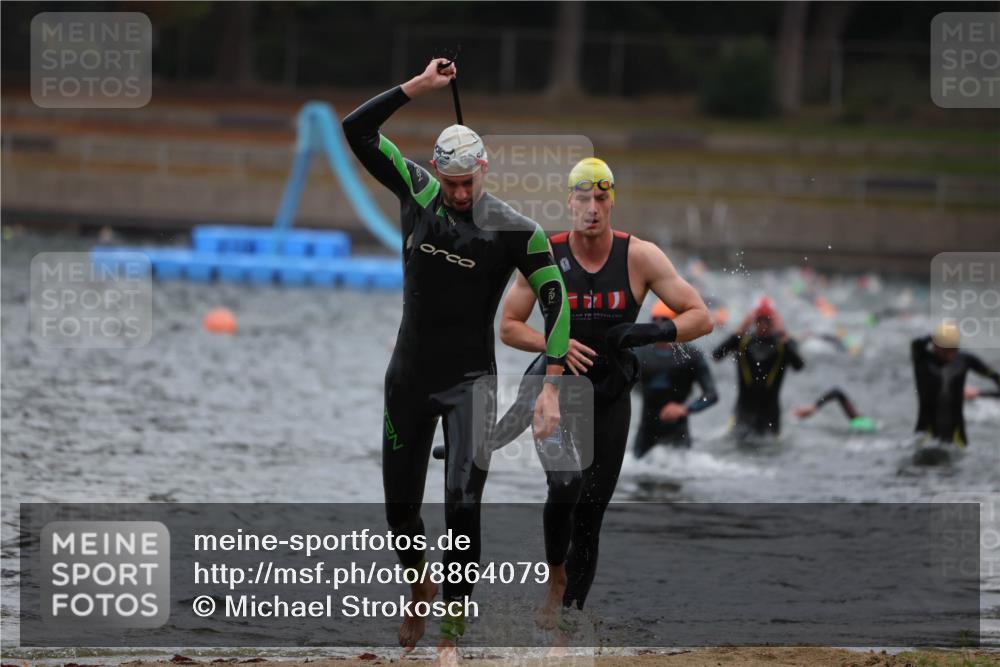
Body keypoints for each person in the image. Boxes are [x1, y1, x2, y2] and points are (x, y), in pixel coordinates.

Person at [342, 58, 570, 660]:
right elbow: (356, 131)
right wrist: (416, 88)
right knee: (401, 512)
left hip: (472, 384)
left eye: (470, 183)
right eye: (452, 184)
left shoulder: (516, 231)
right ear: (439, 174)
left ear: (483, 171)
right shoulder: (416, 191)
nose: (461, 195)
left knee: (463, 507)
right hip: (409, 380)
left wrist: (549, 384)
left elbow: (556, 301)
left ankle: (450, 638)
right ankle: (418, 582)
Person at [499, 157, 713, 623]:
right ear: (569, 202)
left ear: (612, 201)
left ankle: (567, 626)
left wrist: (649, 334)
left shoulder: (640, 256)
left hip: (610, 397)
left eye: (601, 198)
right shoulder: (545, 253)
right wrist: (554, 342)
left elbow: (701, 316)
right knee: (564, 483)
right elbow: (509, 327)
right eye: (583, 198)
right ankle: (556, 574)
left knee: (590, 520)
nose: (592, 208)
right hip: (552, 389)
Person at [633, 301, 719, 455]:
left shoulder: (691, 356)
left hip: (678, 435)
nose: (659, 326)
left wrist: (685, 409)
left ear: (676, 324)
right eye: (655, 320)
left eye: (664, 320)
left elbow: (711, 395)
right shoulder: (640, 354)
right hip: (646, 434)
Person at [712, 298, 804, 439]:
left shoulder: (782, 344)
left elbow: (799, 366)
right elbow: (716, 355)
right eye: (760, 321)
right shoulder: (743, 341)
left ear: (774, 323)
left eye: (767, 321)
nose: (763, 326)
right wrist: (739, 330)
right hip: (744, 409)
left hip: (770, 411)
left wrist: (784, 334)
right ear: (754, 322)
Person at [911, 322, 1000, 447]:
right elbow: (916, 344)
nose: (951, 354)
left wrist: (980, 394)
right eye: (946, 350)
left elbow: (996, 377)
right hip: (927, 432)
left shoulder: (964, 360)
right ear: (935, 346)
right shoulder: (923, 360)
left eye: (954, 349)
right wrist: (938, 335)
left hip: (956, 434)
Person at [793, 387, 877, 433]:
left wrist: (814, 406)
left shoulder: (858, 422)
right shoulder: (862, 422)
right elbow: (837, 392)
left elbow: (837, 392)